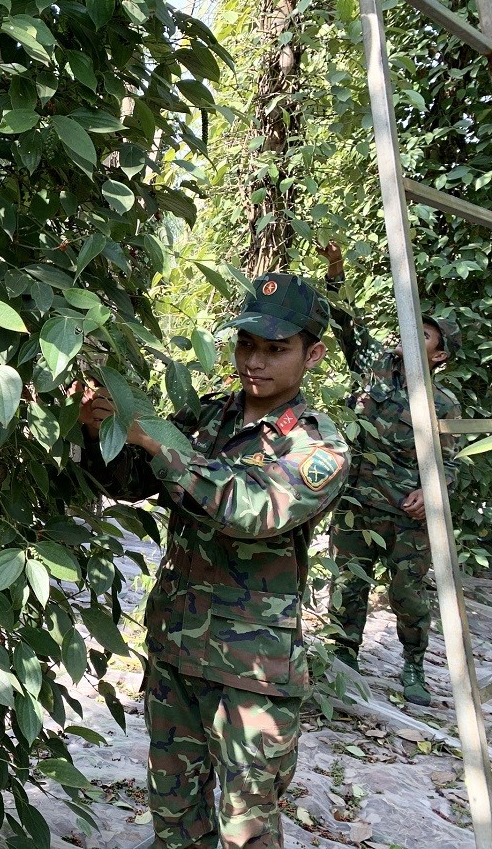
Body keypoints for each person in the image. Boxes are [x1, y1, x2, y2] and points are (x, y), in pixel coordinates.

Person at [76, 273, 349, 849]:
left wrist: (155, 440)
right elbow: (133, 481)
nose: (256, 361)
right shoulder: (208, 417)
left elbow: (251, 509)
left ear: (313, 354)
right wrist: (98, 431)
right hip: (178, 649)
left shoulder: (318, 447)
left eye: (277, 350)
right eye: (247, 344)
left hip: (253, 673)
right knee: (174, 822)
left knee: (246, 833)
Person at [316, 241, 461, 706]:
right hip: (358, 503)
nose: (412, 337)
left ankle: (413, 666)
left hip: (407, 516)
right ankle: (343, 663)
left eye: (427, 337)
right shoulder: (375, 363)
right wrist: (336, 270)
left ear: (439, 357)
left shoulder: (446, 406)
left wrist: (431, 489)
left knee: (409, 596)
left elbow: (451, 464)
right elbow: (344, 321)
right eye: (411, 328)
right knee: (348, 586)